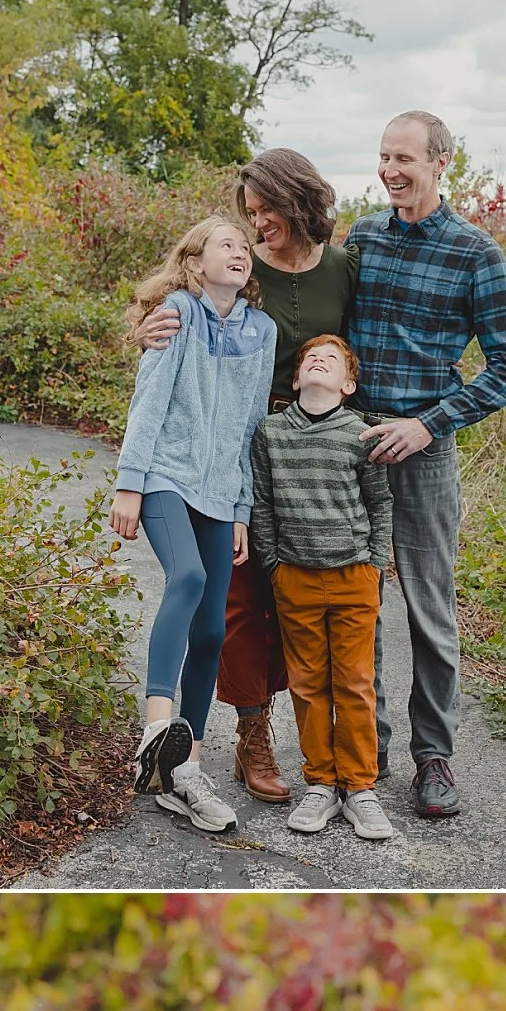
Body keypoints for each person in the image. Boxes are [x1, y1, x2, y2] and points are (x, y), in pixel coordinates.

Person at [136, 149, 365, 805]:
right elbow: (187, 306)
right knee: (236, 598)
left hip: (312, 442)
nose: (258, 224)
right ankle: (250, 733)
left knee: (296, 587)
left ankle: (339, 739)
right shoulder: (242, 265)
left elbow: (360, 345)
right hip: (238, 438)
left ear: (298, 201)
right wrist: (148, 327)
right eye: (251, 213)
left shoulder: (343, 268)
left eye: (267, 211)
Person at [346, 108, 506, 820]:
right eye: (384, 156)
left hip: (423, 451)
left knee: (429, 607)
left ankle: (434, 757)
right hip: (354, 445)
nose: (390, 170)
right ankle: (368, 746)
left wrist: (428, 425)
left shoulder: (475, 253)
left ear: (440, 163)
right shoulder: (362, 236)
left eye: (404, 159)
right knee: (359, 602)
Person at [112, 214, 277, 836]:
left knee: (211, 629)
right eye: (225, 244)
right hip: (164, 474)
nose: (240, 252)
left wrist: (241, 510)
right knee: (186, 577)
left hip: (219, 492)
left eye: (244, 246)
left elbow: (250, 426)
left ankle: (185, 770)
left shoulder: (261, 331)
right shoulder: (177, 313)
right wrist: (129, 482)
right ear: (194, 261)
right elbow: (149, 400)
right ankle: (156, 729)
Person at [250, 335, 395, 840]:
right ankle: (321, 784)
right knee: (308, 683)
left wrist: (375, 564)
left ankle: (360, 788)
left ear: (347, 384)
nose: (318, 361)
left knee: (354, 682)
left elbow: (379, 502)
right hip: (295, 576)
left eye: (331, 359)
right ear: (295, 379)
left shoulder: (361, 433)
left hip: (354, 575)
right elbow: (262, 502)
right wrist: (273, 564)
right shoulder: (271, 432)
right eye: (310, 358)